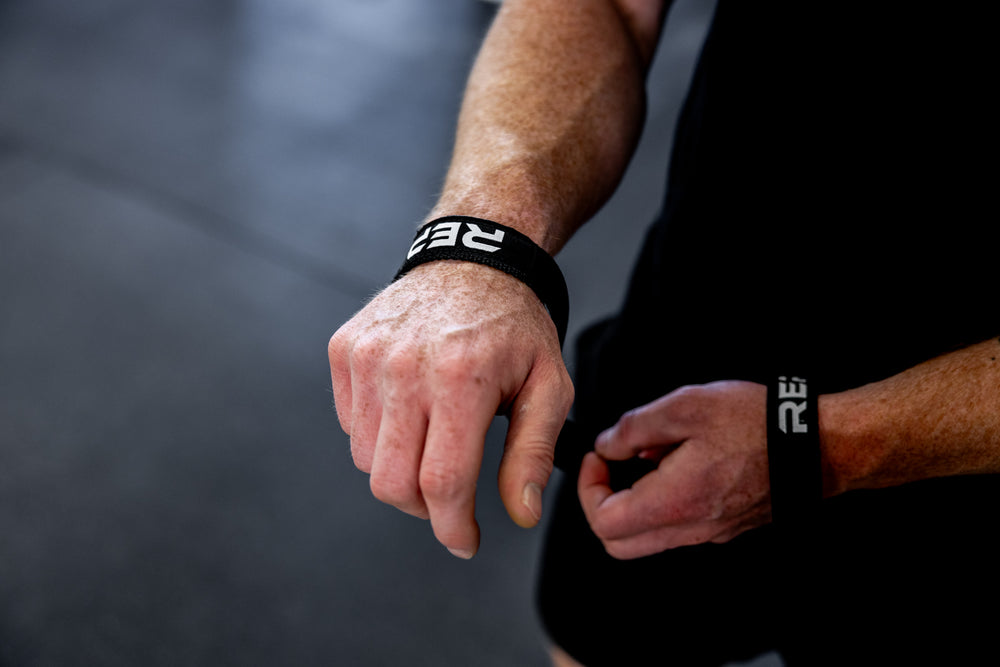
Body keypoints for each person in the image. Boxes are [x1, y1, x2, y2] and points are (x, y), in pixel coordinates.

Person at [328, 0, 999, 664]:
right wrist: (483, 245)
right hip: (678, 377)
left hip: (959, 460)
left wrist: (822, 444)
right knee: (594, 635)